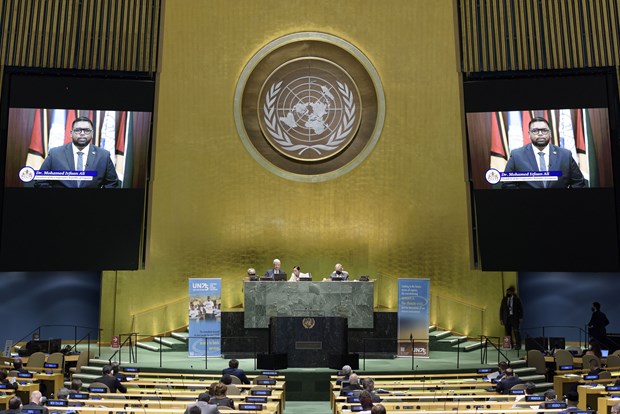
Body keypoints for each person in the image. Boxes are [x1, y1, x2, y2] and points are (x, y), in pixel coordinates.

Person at [35, 116, 120, 188]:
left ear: (92, 134)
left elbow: (112, 183)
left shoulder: (104, 156)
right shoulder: (55, 154)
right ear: (71, 133)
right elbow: (40, 181)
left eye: (87, 130)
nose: (82, 133)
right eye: (78, 130)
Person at [502, 117, 586, 189]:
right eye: (535, 131)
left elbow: (578, 183)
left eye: (544, 130)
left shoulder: (565, 155)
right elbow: (507, 184)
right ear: (529, 134)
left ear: (550, 133)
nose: (540, 134)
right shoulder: (517, 155)